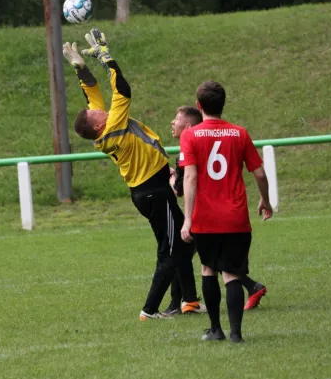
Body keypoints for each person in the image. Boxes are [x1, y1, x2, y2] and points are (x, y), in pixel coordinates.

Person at [61, 28, 206, 320]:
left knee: (184, 240)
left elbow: (93, 96)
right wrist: (107, 58)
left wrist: (81, 68)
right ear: (99, 127)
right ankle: (149, 310)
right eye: (97, 114)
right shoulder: (113, 126)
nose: (100, 111)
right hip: (154, 192)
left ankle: (188, 301)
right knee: (170, 250)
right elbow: (122, 90)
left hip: (148, 191)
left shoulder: (103, 125)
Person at [180, 81, 273, 343]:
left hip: (206, 219)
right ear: (223, 104)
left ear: (199, 106)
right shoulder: (240, 133)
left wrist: (187, 218)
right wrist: (265, 200)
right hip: (236, 218)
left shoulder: (190, 135)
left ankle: (215, 330)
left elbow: (190, 178)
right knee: (232, 273)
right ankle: (236, 334)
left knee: (208, 269)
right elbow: (260, 172)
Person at [165, 106, 267, 315]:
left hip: (204, 214)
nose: (172, 123)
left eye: (176, 119)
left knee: (200, 260)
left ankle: (184, 305)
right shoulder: (232, 134)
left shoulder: (190, 145)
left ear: (189, 126)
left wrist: (171, 176)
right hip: (229, 212)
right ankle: (186, 302)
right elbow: (259, 173)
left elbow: (181, 190)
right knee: (208, 259)